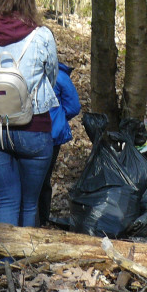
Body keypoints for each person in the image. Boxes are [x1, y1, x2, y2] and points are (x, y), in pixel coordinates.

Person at [0, 0, 58, 227]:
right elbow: (51, 76)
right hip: (33, 128)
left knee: (7, 201)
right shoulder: (42, 36)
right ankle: (24, 253)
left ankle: (4, 252)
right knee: (29, 203)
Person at [38, 61, 81, 226]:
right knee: (44, 178)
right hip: (52, 134)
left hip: (26, 131)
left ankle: (29, 218)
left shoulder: (27, 70)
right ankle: (42, 219)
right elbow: (74, 107)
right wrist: (59, 116)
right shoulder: (60, 76)